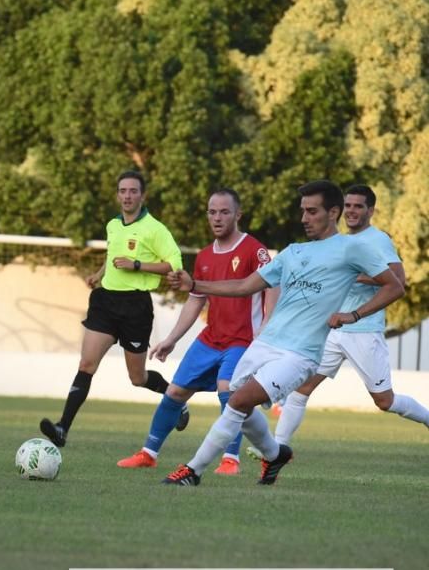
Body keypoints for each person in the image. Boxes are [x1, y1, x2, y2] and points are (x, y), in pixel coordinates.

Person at [162, 180, 404, 486]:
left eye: (312, 211)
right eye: (302, 211)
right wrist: (194, 285)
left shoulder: (352, 248)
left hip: (300, 354)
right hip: (265, 343)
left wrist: (353, 315)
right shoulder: (293, 252)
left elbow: (395, 285)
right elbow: (243, 286)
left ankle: (192, 471)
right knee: (239, 400)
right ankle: (275, 454)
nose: (304, 218)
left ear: (333, 212)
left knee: (237, 403)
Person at [249, 184, 429, 450]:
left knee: (384, 402)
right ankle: (276, 452)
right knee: (301, 390)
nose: (352, 211)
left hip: (363, 330)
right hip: (331, 331)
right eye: (349, 206)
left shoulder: (377, 240)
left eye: (359, 206)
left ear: (371, 210)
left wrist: (354, 289)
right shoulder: (338, 241)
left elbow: (398, 282)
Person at [117, 188, 276, 474]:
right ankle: (148, 453)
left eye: (224, 212)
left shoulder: (256, 250)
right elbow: (195, 299)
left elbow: (274, 283)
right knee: (176, 392)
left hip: (243, 340)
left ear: (238, 215)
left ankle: (230, 459)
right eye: (212, 212)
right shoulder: (203, 256)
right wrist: (171, 339)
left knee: (230, 391)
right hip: (211, 338)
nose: (217, 218)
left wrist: (267, 325)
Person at [39, 170, 183, 448]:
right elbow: (112, 256)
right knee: (86, 364)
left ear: (142, 195)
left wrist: (138, 265)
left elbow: (174, 264)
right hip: (105, 301)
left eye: (133, 191)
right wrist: (98, 274)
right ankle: (62, 429)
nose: (127, 196)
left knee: (137, 378)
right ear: (117, 195)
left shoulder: (155, 229)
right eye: (122, 191)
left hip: (136, 306)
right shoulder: (113, 225)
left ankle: (175, 398)